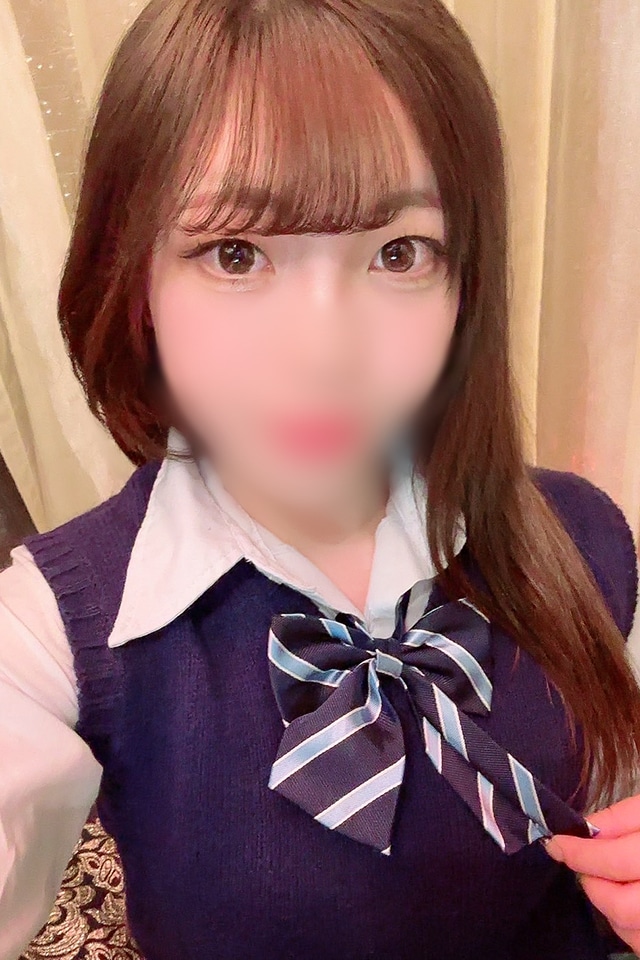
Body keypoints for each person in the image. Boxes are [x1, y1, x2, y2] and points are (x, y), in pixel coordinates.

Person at [1, 0, 639, 957]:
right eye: (236, 254)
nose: (325, 353)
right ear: (134, 280)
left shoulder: (586, 537)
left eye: (398, 252)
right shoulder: (55, 631)